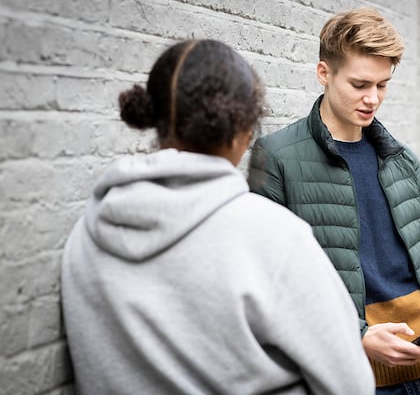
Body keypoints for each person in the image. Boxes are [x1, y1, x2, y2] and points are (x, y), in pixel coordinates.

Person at [61, 39, 375, 395]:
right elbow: (351, 384)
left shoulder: (89, 232)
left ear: (156, 119)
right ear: (243, 129)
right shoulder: (272, 235)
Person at [248, 7, 420, 395]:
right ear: (324, 73)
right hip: (353, 378)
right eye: (360, 84)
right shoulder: (277, 158)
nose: (373, 99)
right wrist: (357, 336)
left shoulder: (402, 162)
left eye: (382, 85)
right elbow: (267, 281)